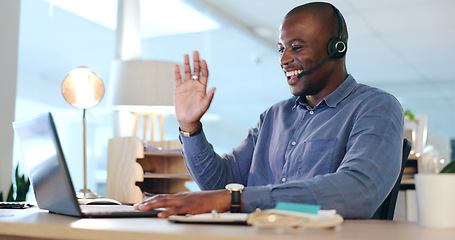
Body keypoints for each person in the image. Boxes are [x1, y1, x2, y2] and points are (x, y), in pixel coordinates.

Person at [134, 2, 404, 219]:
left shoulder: (375, 107)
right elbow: (222, 184)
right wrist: (189, 127)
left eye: (296, 47)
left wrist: (237, 200)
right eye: (281, 49)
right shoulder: (273, 117)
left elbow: (358, 191)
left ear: (337, 49)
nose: (284, 59)